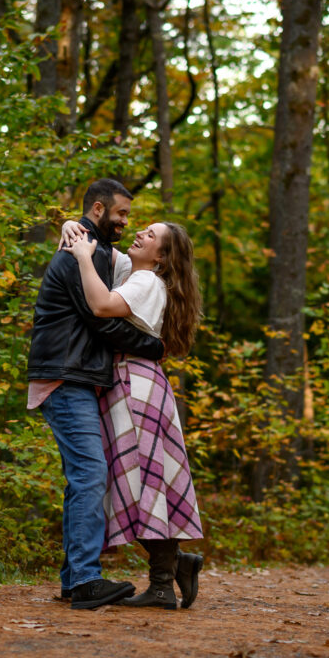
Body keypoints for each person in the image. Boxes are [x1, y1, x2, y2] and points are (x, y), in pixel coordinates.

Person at [27, 179, 166, 610]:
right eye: (122, 214)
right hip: (65, 378)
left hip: (77, 377)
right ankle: (86, 579)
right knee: (91, 475)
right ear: (101, 209)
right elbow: (100, 319)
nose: (128, 221)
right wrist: (156, 347)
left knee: (81, 480)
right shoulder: (79, 253)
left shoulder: (99, 251)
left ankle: (74, 579)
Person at [62, 219, 205, 610]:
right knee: (134, 481)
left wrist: (81, 257)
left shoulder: (146, 283)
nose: (140, 233)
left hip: (134, 385)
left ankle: (163, 583)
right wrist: (72, 224)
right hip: (133, 382)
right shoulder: (136, 273)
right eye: (142, 227)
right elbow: (101, 246)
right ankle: (173, 566)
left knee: (139, 482)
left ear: (161, 257)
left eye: (151, 235)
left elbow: (101, 305)